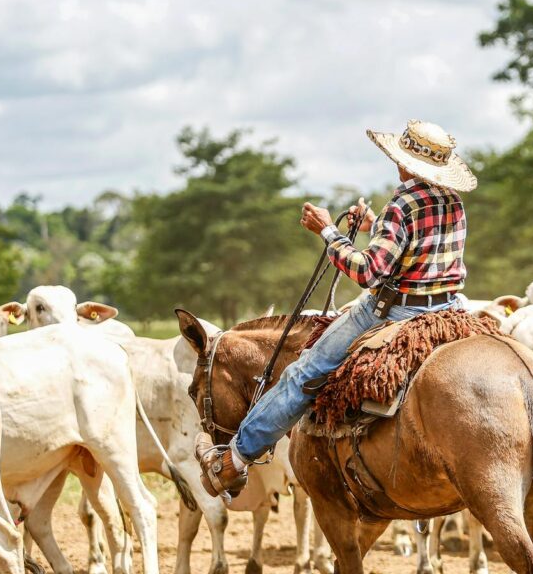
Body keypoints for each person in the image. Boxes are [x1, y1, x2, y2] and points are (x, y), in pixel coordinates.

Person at [195, 119, 476, 498]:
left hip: (398, 311)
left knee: (303, 372)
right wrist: (374, 228)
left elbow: (368, 272)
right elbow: (418, 248)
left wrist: (329, 232)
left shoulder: (403, 202)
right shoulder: (451, 200)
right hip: (449, 307)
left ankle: (234, 460)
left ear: (403, 162)